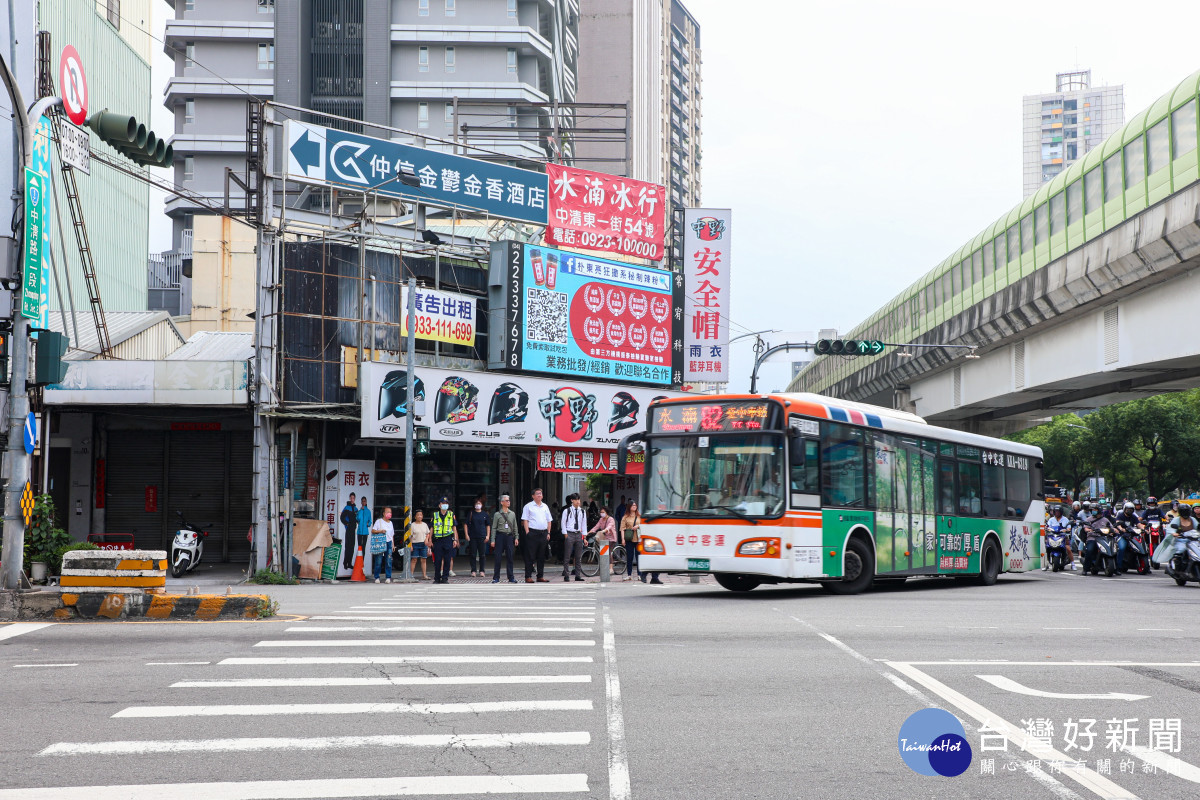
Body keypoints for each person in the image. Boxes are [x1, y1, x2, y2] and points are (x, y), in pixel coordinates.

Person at [521, 488, 554, 583]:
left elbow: (549, 520)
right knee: (530, 556)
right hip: (532, 533)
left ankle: (540, 576)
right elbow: (525, 520)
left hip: (543, 533)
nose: (539, 495)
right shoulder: (528, 506)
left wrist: (548, 532)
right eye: (537, 494)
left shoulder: (545, 506)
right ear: (533, 496)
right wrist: (527, 532)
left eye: (541, 493)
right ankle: (528, 576)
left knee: (541, 556)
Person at [1082, 503, 1118, 574]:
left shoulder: (1105, 520)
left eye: (1095, 510)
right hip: (1092, 538)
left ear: (1099, 510)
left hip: (1103, 538)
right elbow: (1086, 528)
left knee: (1114, 550)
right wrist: (1089, 530)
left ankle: (1116, 569)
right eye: (1092, 510)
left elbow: (1111, 528)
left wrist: (1114, 530)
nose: (1093, 511)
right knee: (1089, 550)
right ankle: (1085, 569)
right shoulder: (1089, 519)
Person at [490, 495, 519, 583]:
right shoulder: (497, 514)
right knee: (498, 557)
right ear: (502, 502)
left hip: (509, 537)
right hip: (500, 536)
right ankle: (496, 577)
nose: (508, 502)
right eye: (506, 500)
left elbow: (515, 527)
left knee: (510, 557)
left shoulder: (512, 514)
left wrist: (516, 537)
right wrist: (493, 540)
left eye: (509, 500)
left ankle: (511, 577)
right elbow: (494, 528)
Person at [430, 496, 458, 584]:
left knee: (447, 559)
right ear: (439, 505)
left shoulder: (451, 515)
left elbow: (454, 528)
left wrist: (455, 540)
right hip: (438, 540)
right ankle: (437, 578)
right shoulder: (435, 515)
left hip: (448, 539)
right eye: (443, 503)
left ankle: (445, 578)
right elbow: (432, 528)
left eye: (446, 504)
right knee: (437, 560)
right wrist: (430, 539)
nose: (444, 505)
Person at [561, 493, 587, 582]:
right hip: (570, 533)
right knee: (567, 556)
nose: (578, 502)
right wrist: (565, 534)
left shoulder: (582, 511)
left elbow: (584, 524)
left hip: (579, 534)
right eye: (576, 500)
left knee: (578, 556)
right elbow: (563, 523)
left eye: (579, 500)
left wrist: (584, 536)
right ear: (572, 500)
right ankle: (566, 574)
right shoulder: (567, 511)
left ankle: (577, 575)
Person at [1043, 505, 1075, 570]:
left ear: (1061, 512)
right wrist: (1047, 528)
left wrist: (1066, 529)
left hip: (1063, 536)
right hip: (1053, 536)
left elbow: (1069, 527)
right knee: (1046, 548)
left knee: (1068, 548)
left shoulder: (1065, 519)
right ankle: (1046, 564)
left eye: (1058, 511)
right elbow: (1047, 526)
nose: (1057, 513)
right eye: (1056, 511)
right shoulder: (1051, 519)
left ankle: (1073, 564)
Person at [464, 498, 491, 577]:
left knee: (482, 554)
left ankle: (482, 570)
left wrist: (488, 535)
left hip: (482, 536)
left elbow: (488, 525)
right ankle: (473, 570)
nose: (478, 505)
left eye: (479, 503)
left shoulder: (485, 514)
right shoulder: (471, 513)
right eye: (476, 503)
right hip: (473, 537)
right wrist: (466, 534)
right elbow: (466, 524)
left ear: (482, 505)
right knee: (473, 554)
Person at [370, 507, 396, 583]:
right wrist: (380, 531)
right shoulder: (379, 521)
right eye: (387, 512)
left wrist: (393, 545)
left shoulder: (391, 523)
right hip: (380, 543)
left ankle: (388, 577)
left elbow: (392, 535)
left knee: (388, 560)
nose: (389, 513)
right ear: (384, 513)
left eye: (390, 512)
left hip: (389, 543)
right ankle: (377, 577)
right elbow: (373, 530)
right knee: (378, 560)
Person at [620, 502, 642, 581]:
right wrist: (623, 539)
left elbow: (644, 524)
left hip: (638, 540)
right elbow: (622, 529)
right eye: (633, 505)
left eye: (635, 505)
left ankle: (640, 575)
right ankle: (629, 575)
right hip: (629, 539)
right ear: (629, 506)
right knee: (629, 557)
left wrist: (638, 526)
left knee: (638, 557)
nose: (634, 506)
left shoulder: (639, 516)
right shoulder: (625, 517)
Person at [409, 509, 430, 580]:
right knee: (414, 559)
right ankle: (411, 575)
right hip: (415, 544)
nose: (419, 516)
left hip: (423, 544)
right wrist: (411, 545)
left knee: (423, 559)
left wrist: (427, 539)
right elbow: (410, 536)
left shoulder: (425, 525)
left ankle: (424, 575)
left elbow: (428, 533)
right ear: (415, 516)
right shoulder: (412, 525)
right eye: (418, 515)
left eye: (421, 515)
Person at [340, 492, 358, 568]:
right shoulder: (346, 508)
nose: (352, 499)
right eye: (351, 498)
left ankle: (350, 563)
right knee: (347, 546)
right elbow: (342, 517)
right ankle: (345, 563)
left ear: (355, 499)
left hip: (353, 529)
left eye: (353, 498)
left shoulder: (356, 509)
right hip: (348, 529)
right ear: (349, 498)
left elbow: (357, 519)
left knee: (352, 546)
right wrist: (346, 524)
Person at [356, 496, 373, 571]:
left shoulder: (368, 511)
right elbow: (357, 519)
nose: (363, 502)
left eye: (364, 501)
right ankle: (359, 562)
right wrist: (360, 511)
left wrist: (368, 524)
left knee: (364, 547)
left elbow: (370, 521)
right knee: (359, 546)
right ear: (361, 502)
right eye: (362, 501)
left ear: (366, 502)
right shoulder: (359, 511)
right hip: (359, 531)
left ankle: (362, 561)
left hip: (365, 532)